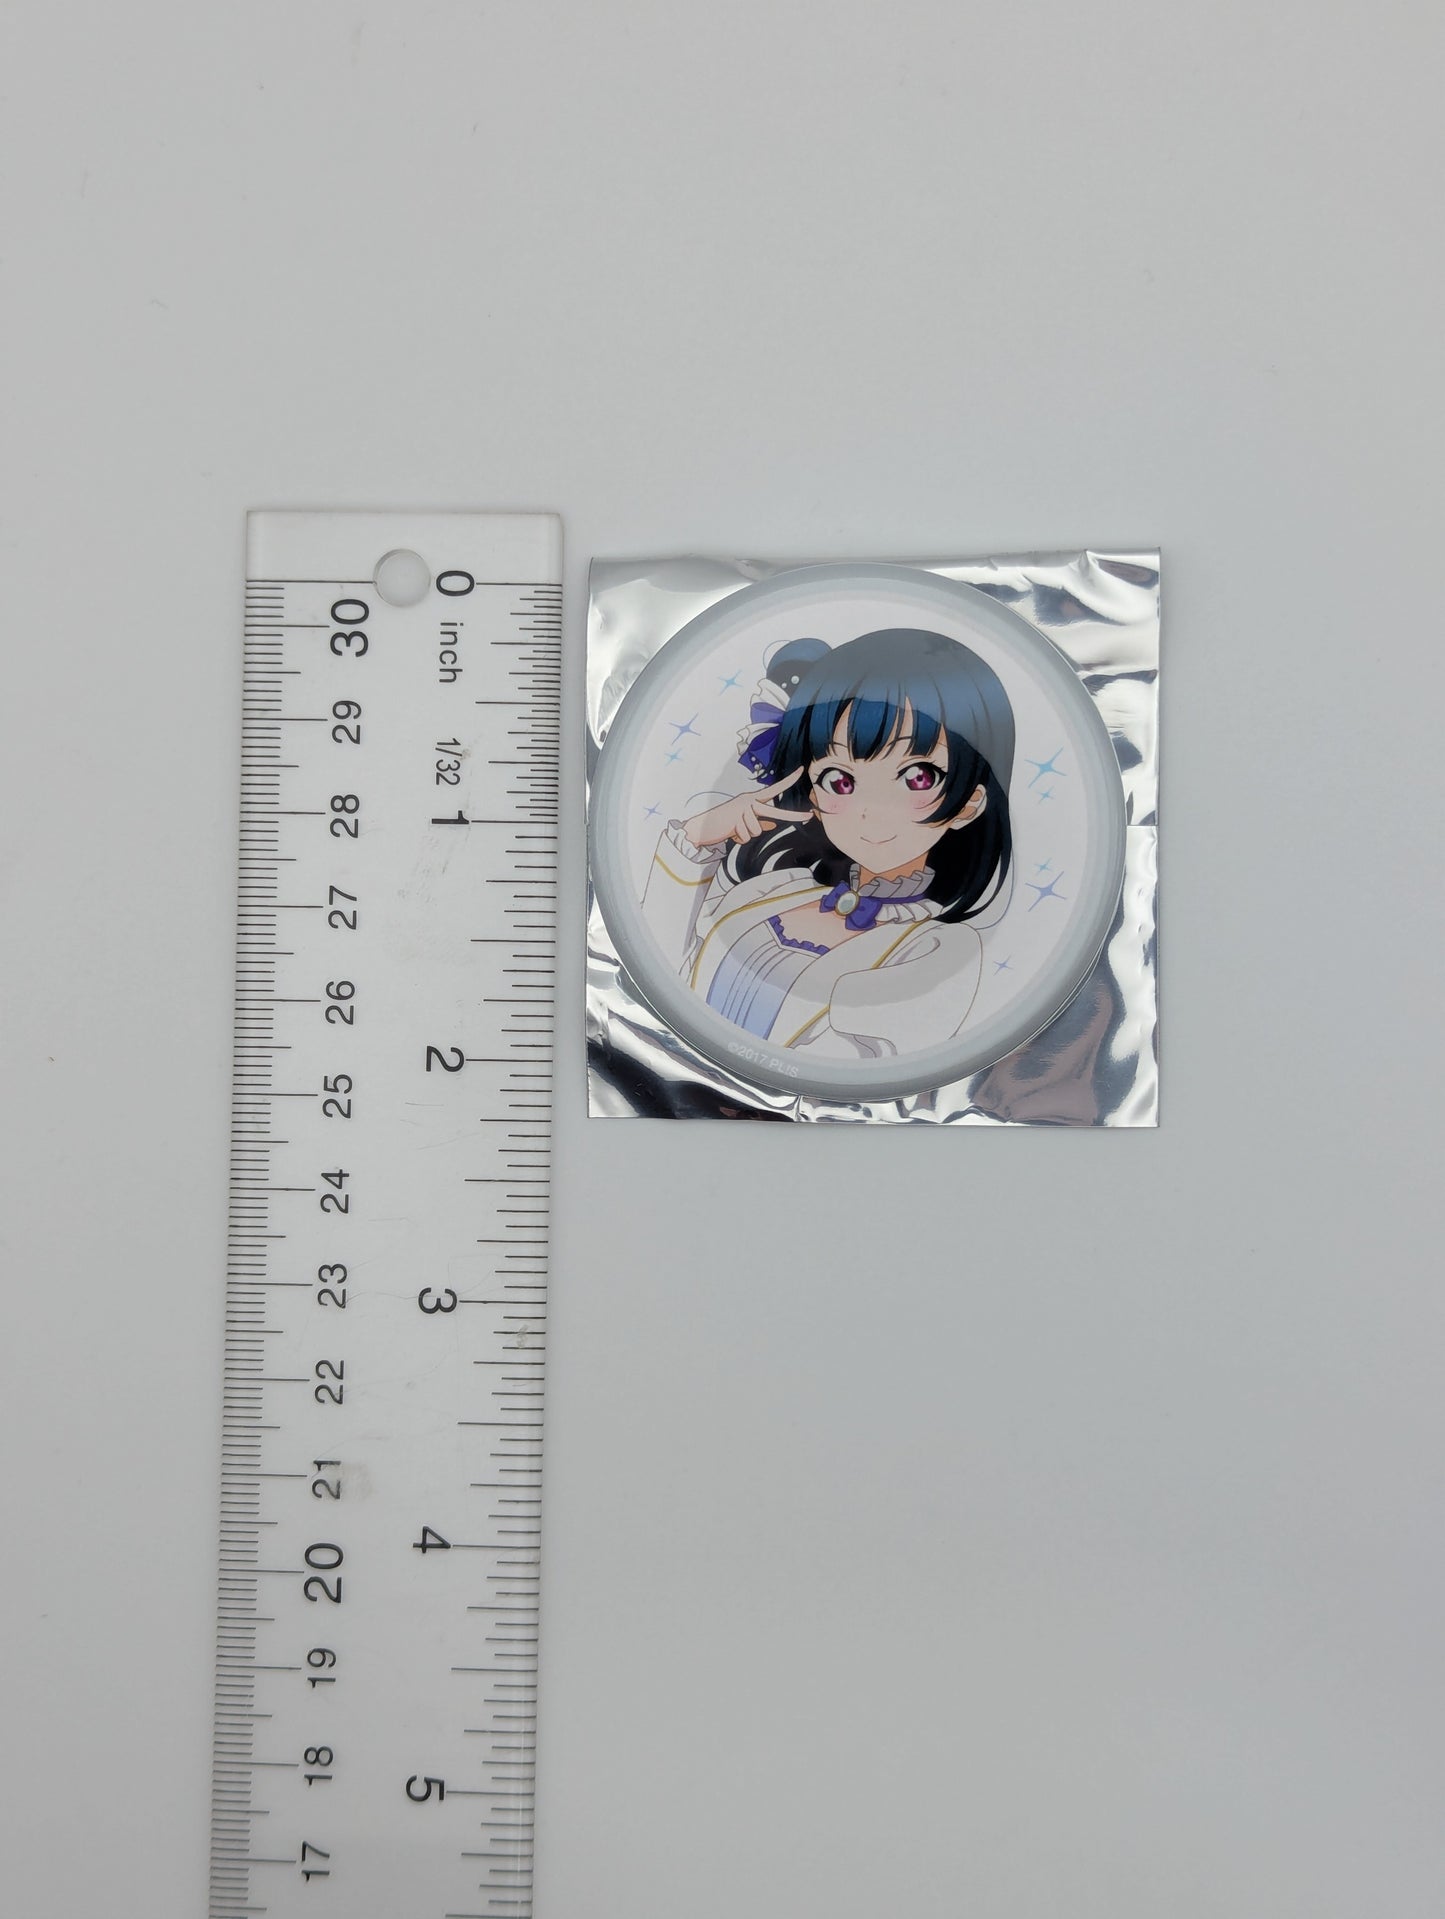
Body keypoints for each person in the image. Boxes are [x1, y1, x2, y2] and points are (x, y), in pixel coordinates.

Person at [641, 628, 1015, 1059]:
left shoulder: (937, 949)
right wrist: (696, 836)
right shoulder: (774, 889)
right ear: (813, 796)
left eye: (917, 777)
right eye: (840, 780)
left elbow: (863, 1069)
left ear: (970, 802)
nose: (870, 811)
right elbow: (659, 969)